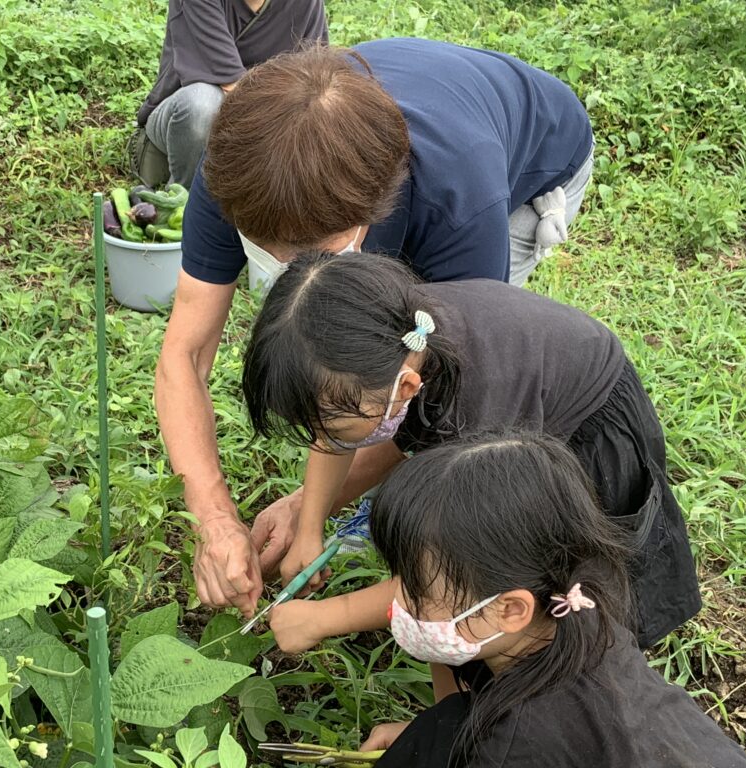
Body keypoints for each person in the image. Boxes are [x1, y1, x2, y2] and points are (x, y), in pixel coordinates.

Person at [155, 38, 596, 617]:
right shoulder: (240, 171)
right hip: (406, 119)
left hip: (536, 151)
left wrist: (311, 506)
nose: (290, 269)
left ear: (370, 216)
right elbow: (184, 356)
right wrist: (214, 520)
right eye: (269, 250)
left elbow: (424, 388)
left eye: (313, 251)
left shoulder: (457, 205)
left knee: (442, 394)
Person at [244, 251, 701, 651]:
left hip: (588, 429)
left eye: (335, 427)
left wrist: (328, 618)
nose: (323, 439)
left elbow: (453, 572)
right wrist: (308, 527)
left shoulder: (477, 415)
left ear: (406, 388)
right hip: (522, 389)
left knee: (561, 590)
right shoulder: (387, 336)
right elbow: (333, 433)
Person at [342, 435, 746, 768]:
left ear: (511, 610)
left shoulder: (517, 745)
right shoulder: (582, 611)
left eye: (416, 589)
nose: (399, 599)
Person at [130, 0, 328, 188]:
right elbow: (234, 87)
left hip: (260, 125)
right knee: (203, 103)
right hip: (184, 122)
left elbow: (315, 79)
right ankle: (183, 200)